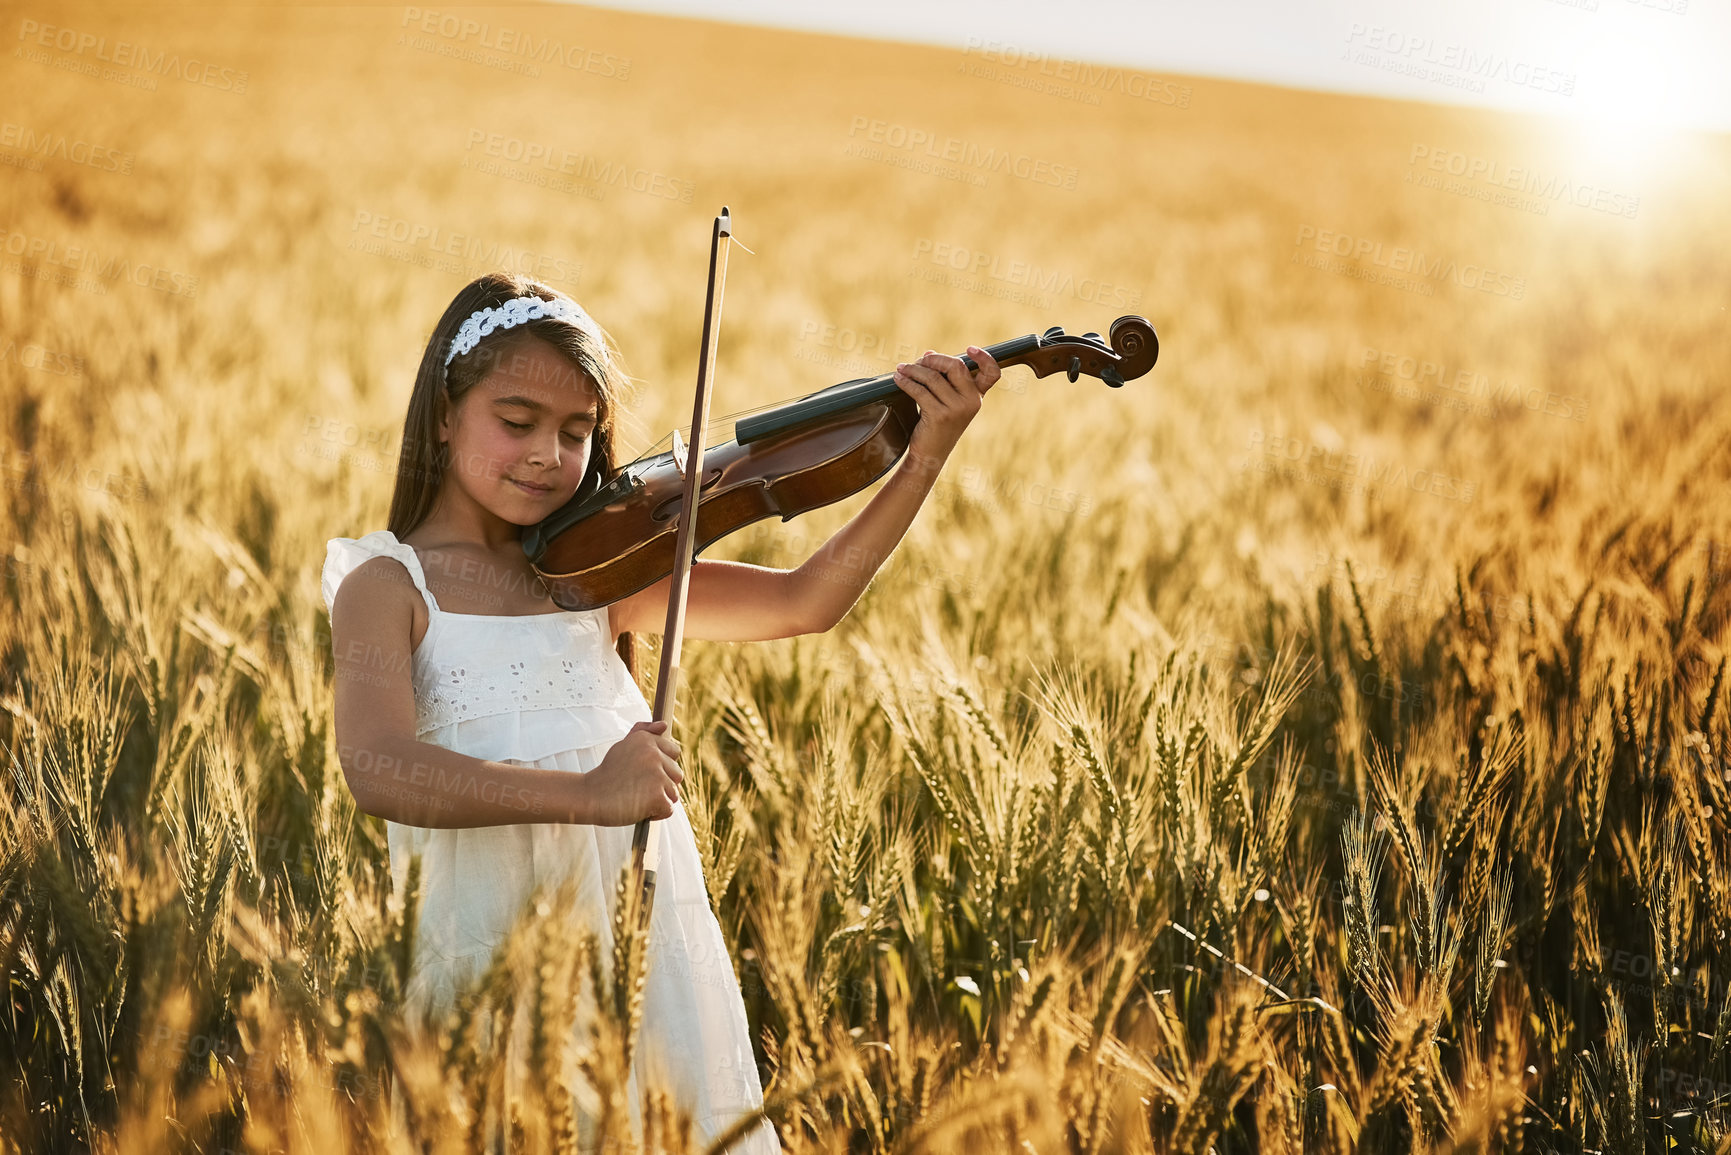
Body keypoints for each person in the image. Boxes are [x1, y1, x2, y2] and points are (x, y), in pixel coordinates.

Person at [321, 271, 1000, 1151]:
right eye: (516, 421)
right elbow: (378, 767)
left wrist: (926, 454)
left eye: (577, 433)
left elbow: (803, 600)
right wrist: (591, 793)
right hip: (488, 953)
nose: (547, 455)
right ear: (444, 413)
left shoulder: (591, 577)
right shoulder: (387, 582)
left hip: (642, 954)